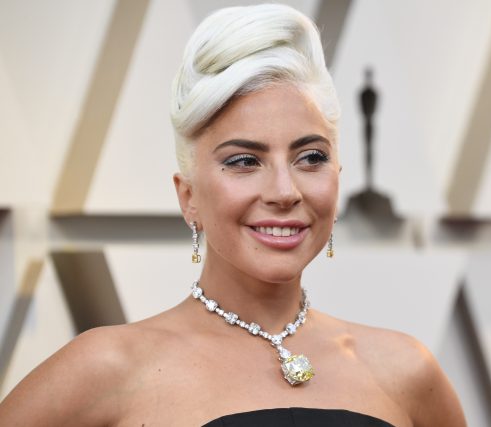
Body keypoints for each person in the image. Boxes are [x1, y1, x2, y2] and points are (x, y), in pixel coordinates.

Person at [0, 5, 466, 426]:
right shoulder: (107, 369)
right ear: (188, 197)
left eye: (310, 158)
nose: (284, 192)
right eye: (244, 161)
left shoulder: (406, 371)